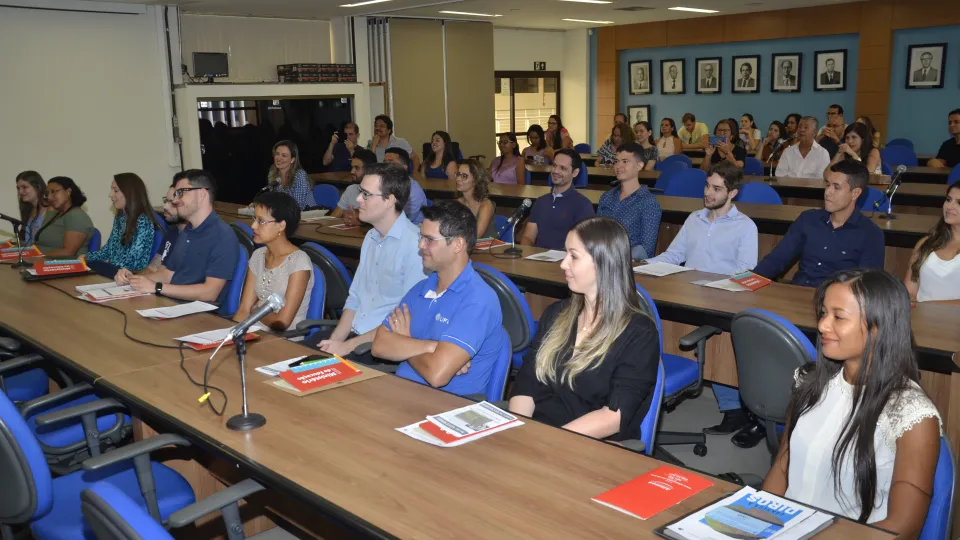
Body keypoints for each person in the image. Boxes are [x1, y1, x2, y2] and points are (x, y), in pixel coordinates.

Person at [763, 269, 941, 535]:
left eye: (839, 317)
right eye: (824, 313)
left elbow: (903, 529)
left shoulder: (911, 414)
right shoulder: (809, 382)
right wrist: (754, 520)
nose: (823, 325)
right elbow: (783, 465)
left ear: (878, 327)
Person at [509, 217, 659, 441]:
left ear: (602, 263)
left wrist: (548, 442)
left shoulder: (639, 333)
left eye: (574, 256)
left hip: (590, 445)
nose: (563, 264)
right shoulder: (556, 314)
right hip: (537, 435)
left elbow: (613, 418)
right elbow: (527, 382)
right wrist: (519, 431)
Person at [644, 162, 759, 444]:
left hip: (721, 297)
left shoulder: (746, 227)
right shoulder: (694, 218)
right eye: (708, 185)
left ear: (732, 193)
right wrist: (640, 265)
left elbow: (746, 272)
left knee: (720, 349)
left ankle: (733, 409)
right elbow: (673, 256)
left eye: (717, 188)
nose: (709, 192)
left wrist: (710, 283)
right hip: (686, 292)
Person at [372, 201, 505, 396]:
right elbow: (379, 345)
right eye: (421, 237)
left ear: (458, 244)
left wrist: (404, 340)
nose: (420, 245)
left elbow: (437, 375)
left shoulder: (478, 300)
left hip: (447, 408)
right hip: (402, 394)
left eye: (429, 239)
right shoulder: (421, 288)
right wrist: (431, 347)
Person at [311, 162, 426, 359]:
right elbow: (355, 298)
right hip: (354, 337)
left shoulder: (416, 247)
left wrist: (347, 347)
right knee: (292, 363)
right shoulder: (371, 237)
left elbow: (403, 320)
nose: (357, 199)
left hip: (379, 346)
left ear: (389, 200)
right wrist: (336, 340)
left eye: (365, 194)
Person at [754, 160, 884, 287]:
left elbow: (867, 287)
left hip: (837, 303)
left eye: (836, 187)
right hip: (798, 294)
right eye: (827, 185)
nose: (828, 192)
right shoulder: (808, 219)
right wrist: (748, 281)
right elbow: (777, 259)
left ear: (855, 193)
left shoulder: (871, 234)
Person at [120, 170, 239, 304]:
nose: (175, 200)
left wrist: (157, 287)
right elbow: (166, 275)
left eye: (181, 193)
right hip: (173, 304)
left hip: (201, 315)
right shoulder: (187, 231)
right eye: (176, 194)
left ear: (202, 194)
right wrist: (133, 279)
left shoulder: (223, 235)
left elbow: (210, 293)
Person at [234, 191, 314, 337]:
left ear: (281, 225)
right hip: (253, 333)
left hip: (284, 341)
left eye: (261, 221)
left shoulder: (299, 262)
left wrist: (255, 311)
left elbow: (282, 322)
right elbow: (244, 309)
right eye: (254, 219)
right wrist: (230, 335)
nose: (253, 226)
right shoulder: (258, 255)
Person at [87, 173, 163, 273]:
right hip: (115, 272)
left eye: (116, 190)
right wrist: (86, 257)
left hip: (130, 276)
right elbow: (108, 250)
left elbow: (134, 261)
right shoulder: (120, 218)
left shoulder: (143, 220)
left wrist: (106, 268)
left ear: (130, 193)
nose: (110, 195)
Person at [520, 149, 596, 250]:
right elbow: (528, 237)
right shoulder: (541, 201)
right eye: (554, 165)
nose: (555, 171)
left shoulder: (583, 205)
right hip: (537, 261)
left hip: (564, 262)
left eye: (563, 168)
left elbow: (580, 245)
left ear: (575, 173)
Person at [598, 143, 661, 260]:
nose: (618, 166)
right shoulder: (606, 197)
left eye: (625, 161)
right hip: (602, 260)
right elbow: (597, 233)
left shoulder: (648, 203)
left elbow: (646, 249)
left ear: (639, 165)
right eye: (616, 161)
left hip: (630, 265)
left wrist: (615, 258)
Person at [905, 180, 960, 302]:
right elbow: (909, 291)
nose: (949, 207)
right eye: (948, 199)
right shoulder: (926, 243)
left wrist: (928, 307)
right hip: (921, 318)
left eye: (959, 203)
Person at [34, 176, 94, 258]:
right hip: (44, 262)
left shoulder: (76, 216)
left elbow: (68, 252)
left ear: (68, 191)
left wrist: (36, 257)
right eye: (47, 193)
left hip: (63, 266)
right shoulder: (57, 214)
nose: (49, 197)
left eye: (53, 191)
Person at [330, 147, 377, 225]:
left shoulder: (381, 192)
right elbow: (334, 218)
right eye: (352, 167)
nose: (352, 171)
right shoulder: (351, 189)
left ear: (370, 169)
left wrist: (359, 221)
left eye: (357, 168)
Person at [145, 182, 185, 273]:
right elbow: (153, 268)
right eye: (165, 201)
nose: (165, 206)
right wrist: (132, 278)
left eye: (172, 203)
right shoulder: (172, 233)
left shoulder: (197, 237)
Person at [266, 140, 316, 210]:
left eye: (284, 155)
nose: (279, 158)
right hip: (284, 215)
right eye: (277, 154)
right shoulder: (273, 173)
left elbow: (297, 205)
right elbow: (273, 200)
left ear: (292, 159)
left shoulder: (299, 175)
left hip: (306, 217)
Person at [383, 147, 428, 225]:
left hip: (413, 229)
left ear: (404, 167)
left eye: (391, 162)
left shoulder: (413, 191)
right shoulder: (381, 184)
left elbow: (402, 219)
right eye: (384, 162)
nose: (386, 166)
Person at [455, 159, 496, 238]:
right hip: (462, 246)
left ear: (475, 180)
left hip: (486, 249)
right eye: (458, 174)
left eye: (464, 176)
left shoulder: (486, 205)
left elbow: (475, 237)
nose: (458, 179)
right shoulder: (458, 203)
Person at [15, 171, 47, 245]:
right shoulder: (28, 210)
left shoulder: (51, 209)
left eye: (24, 187)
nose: (20, 192)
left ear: (38, 186)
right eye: (18, 188)